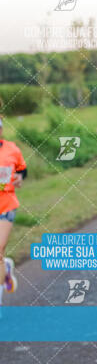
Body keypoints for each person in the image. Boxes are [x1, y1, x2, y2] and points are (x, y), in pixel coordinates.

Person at [0, 118, 27, 306]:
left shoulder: (12, 149)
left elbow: (22, 170)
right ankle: (6, 268)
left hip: (6, 205)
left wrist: (19, 178)